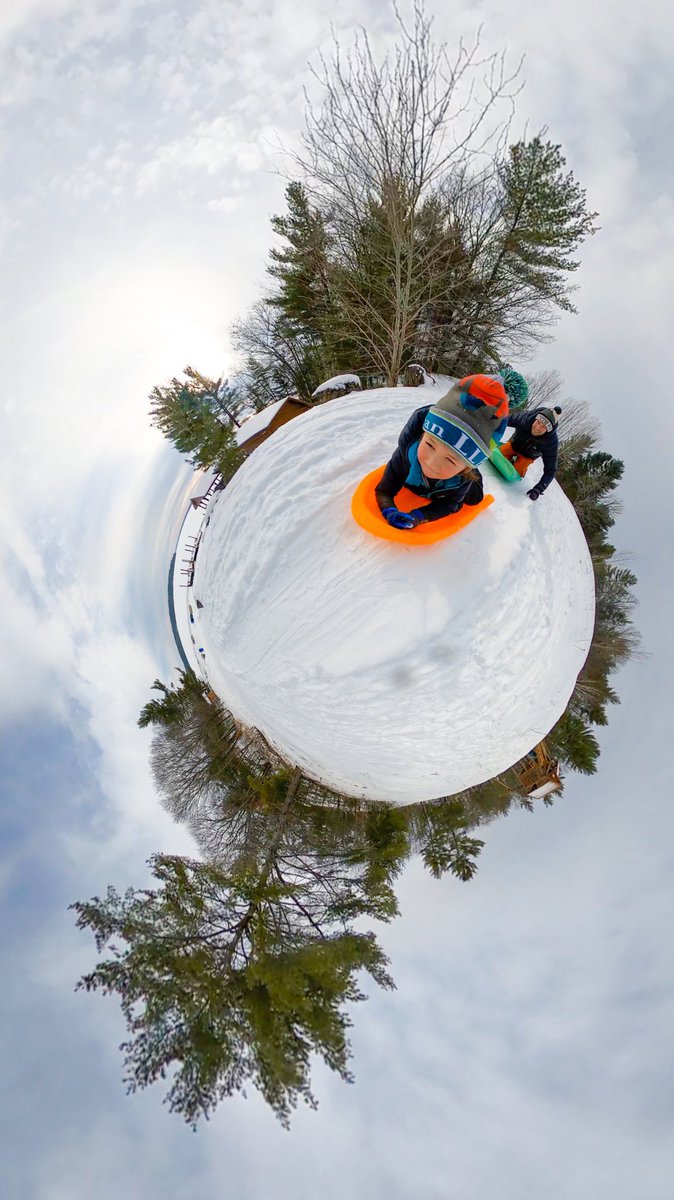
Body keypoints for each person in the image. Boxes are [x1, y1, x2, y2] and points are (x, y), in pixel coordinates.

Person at [375, 375, 509, 529]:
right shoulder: (406, 454)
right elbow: (384, 490)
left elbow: (449, 505)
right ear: (423, 434)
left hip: (465, 477)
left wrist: (419, 516)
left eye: (451, 460)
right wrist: (388, 510)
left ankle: (474, 472)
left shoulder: (461, 481)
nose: (432, 463)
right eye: (430, 445)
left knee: (474, 499)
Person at [498, 405, 562, 501]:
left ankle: (517, 466)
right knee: (500, 454)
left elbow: (551, 470)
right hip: (513, 445)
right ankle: (504, 451)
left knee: (517, 469)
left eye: (543, 427)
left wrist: (538, 489)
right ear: (535, 419)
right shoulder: (525, 419)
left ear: (548, 430)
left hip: (528, 456)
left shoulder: (550, 442)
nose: (537, 428)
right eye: (538, 422)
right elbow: (503, 420)